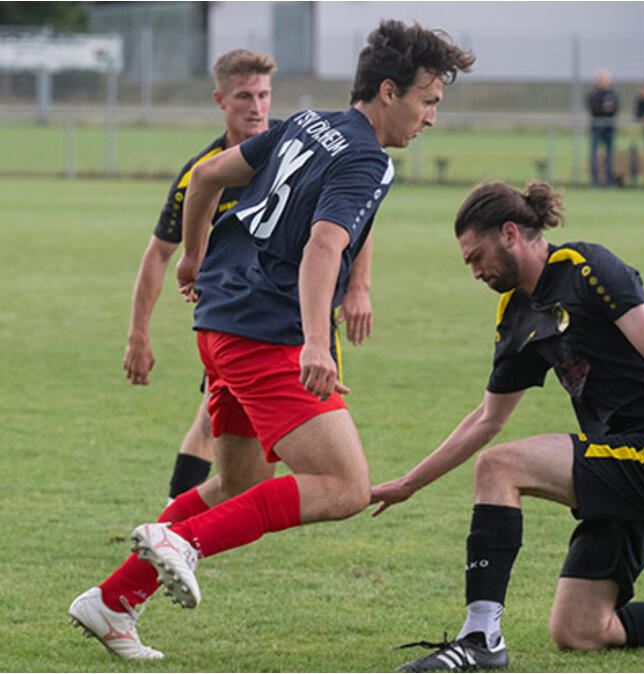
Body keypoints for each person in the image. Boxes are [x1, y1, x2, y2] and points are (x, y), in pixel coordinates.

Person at [67, 20, 475, 660]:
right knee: (344, 486)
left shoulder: (305, 123)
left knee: (235, 483)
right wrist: (317, 341)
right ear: (389, 91)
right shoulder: (367, 158)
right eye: (428, 102)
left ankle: (112, 602)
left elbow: (205, 179)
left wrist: (194, 257)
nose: (431, 119)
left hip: (219, 323)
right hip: (267, 334)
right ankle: (186, 544)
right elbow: (322, 244)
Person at [372, 181, 644, 671]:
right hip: (619, 463)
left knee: (499, 468)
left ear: (511, 234)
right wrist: (409, 485)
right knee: (579, 629)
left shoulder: (587, 271)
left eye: (477, 257)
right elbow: (487, 417)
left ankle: (480, 637)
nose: (475, 271)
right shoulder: (517, 313)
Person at [123, 48, 277, 505]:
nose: (257, 107)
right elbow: (158, 254)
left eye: (265, 95)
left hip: (276, 313)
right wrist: (138, 335)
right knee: (223, 429)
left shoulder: (291, 154)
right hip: (230, 317)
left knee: (212, 422)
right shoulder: (202, 173)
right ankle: (177, 525)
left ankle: (173, 520)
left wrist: (358, 288)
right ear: (220, 101)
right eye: (245, 96)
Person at [587, 68, 619, 187]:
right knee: (594, 155)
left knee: (609, 157)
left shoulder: (612, 94)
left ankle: (609, 181)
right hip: (596, 128)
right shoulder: (593, 94)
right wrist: (604, 109)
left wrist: (606, 110)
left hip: (609, 128)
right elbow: (594, 109)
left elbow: (614, 109)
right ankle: (595, 181)